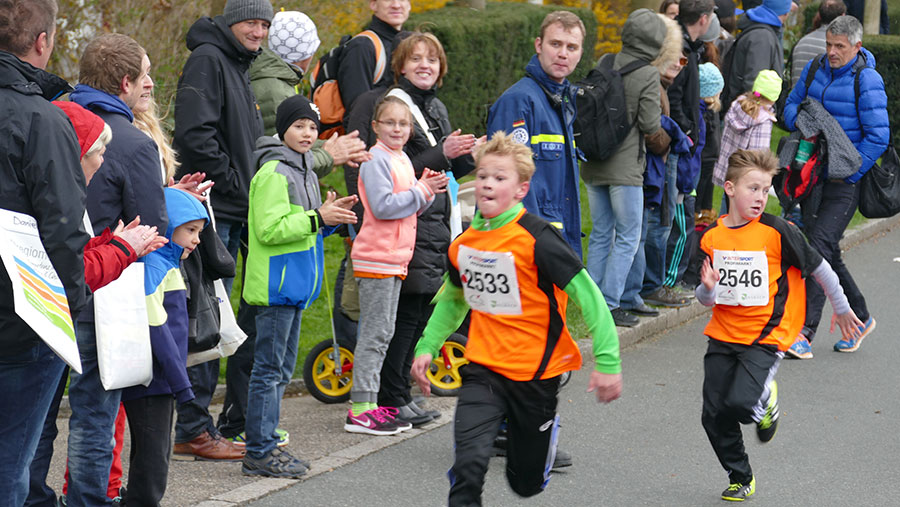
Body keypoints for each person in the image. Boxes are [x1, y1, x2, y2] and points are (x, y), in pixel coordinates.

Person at [410, 132, 622, 506]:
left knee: (525, 483)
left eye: (499, 177)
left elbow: (589, 298)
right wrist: (427, 346)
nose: (487, 183)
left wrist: (608, 362)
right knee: (469, 464)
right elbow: (454, 299)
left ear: (521, 189)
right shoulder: (464, 245)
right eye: (482, 175)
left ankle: (542, 445)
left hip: (534, 374)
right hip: (483, 369)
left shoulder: (538, 239)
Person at [36, 32, 168, 507]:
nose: (150, 84)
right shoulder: (131, 141)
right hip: (102, 289)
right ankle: (89, 499)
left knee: (37, 412)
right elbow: (153, 226)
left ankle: (30, 496)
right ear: (125, 81)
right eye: (145, 75)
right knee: (94, 410)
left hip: (40, 286)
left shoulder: (48, 119)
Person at [692, 148, 863, 501]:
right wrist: (708, 289)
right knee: (713, 414)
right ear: (729, 188)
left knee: (740, 404)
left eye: (765, 189)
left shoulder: (776, 231)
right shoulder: (711, 237)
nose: (760, 197)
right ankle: (741, 477)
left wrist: (842, 307)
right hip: (723, 334)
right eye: (752, 188)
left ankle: (765, 398)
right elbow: (706, 298)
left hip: (767, 334)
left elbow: (820, 268)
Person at [344, 32, 479, 425]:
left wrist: (470, 155)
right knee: (397, 323)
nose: (425, 65)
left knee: (415, 315)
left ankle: (395, 396)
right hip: (398, 239)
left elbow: (436, 169)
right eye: (416, 58)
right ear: (400, 65)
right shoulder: (391, 110)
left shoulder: (434, 107)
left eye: (432, 59)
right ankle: (383, 399)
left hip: (428, 229)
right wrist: (439, 160)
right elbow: (396, 184)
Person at [240, 95, 358, 477]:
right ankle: (259, 451)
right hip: (276, 288)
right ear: (282, 130)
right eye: (298, 126)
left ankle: (268, 443)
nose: (307, 133)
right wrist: (316, 217)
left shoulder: (304, 169)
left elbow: (304, 227)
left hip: (294, 288)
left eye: (312, 127)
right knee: (269, 371)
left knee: (279, 369)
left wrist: (328, 220)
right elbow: (269, 229)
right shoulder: (274, 172)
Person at [783, 15, 888, 357]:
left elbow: (878, 136)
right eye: (829, 44)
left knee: (817, 247)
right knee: (828, 252)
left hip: (845, 182)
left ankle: (804, 332)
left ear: (857, 47)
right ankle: (861, 318)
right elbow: (790, 106)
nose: (832, 52)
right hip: (812, 175)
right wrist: (804, 123)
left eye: (839, 46)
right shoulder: (816, 67)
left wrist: (851, 172)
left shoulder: (867, 79)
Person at [345, 96, 447, 435]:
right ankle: (361, 408)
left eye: (403, 124)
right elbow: (384, 206)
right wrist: (421, 190)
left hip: (395, 260)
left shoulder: (401, 158)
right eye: (390, 123)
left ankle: (375, 404)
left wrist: (426, 191)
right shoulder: (375, 159)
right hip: (376, 258)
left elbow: (409, 208)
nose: (397, 129)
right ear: (376, 127)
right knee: (375, 335)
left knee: (385, 333)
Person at [173, 0, 273, 296]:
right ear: (231, 22)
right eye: (251, 23)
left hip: (233, 204)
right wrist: (231, 182)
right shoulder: (208, 59)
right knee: (209, 302)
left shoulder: (238, 62)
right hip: (213, 205)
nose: (258, 32)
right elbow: (195, 133)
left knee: (222, 304)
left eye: (264, 25)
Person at [119, 187, 207, 505]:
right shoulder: (156, 266)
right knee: (153, 457)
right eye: (190, 230)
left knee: (153, 453)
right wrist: (181, 384)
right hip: (153, 379)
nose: (196, 240)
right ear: (168, 226)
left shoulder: (166, 263)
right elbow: (157, 328)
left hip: (160, 379)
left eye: (199, 232)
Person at [582, 8, 665, 328]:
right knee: (628, 236)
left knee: (602, 233)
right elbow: (650, 125)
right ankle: (611, 303)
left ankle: (593, 302)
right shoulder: (648, 74)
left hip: (594, 163)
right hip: (626, 169)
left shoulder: (605, 61)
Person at [486, 10, 586, 255]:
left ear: (580, 53)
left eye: (572, 47)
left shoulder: (561, 101)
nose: (563, 53)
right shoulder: (519, 101)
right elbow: (505, 182)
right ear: (539, 45)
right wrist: (531, 243)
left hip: (555, 240)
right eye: (555, 44)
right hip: (527, 243)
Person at [619, 13, 684, 317]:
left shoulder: (653, 79)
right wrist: (672, 138)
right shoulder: (648, 78)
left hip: (644, 165)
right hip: (645, 166)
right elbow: (650, 129)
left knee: (636, 231)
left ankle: (635, 291)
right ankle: (634, 292)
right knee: (641, 232)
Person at [713, 70, 781, 213]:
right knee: (740, 216)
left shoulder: (738, 105)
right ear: (774, 97)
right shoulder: (763, 121)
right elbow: (759, 154)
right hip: (747, 179)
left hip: (730, 170)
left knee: (727, 207)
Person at [337, 0, 411, 121]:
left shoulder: (409, 45)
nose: (396, 5)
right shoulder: (362, 47)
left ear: (409, 5)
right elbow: (357, 114)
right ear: (373, 4)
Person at [721, 0, 792, 111]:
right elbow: (754, 83)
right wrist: (758, 113)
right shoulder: (762, 37)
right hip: (749, 111)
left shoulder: (759, 28)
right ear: (786, 13)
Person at [789, 0, 846, 87]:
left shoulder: (801, 42)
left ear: (819, 15)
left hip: (796, 94)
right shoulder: (837, 48)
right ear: (842, 16)